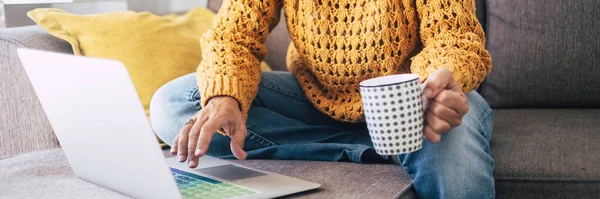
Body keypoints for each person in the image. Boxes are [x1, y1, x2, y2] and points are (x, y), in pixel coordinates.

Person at [150, 0, 494, 198]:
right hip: (314, 100)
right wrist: (226, 97)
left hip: (412, 102)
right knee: (174, 103)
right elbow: (233, 34)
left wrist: (435, 87)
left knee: (450, 135)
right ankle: (380, 150)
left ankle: (403, 144)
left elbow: (455, 38)